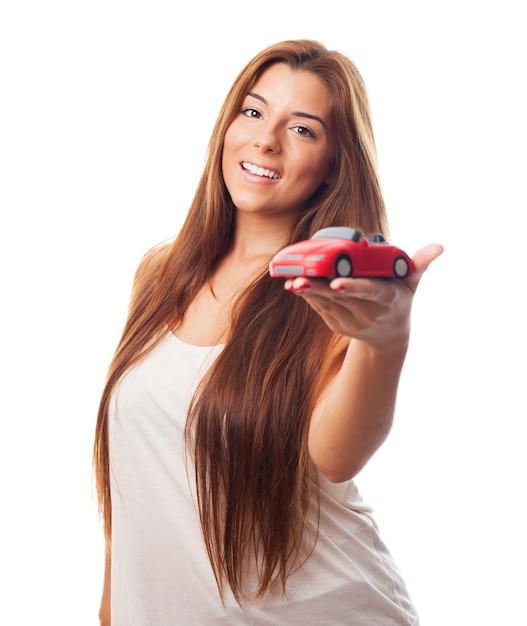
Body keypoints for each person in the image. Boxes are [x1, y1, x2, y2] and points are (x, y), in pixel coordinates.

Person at [93, 39, 443, 625]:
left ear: (335, 161)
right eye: (253, 112)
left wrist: (383, 342)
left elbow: (336, 456)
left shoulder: (330, 294)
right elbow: (135, 481)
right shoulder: (160, 274)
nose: (266, 139)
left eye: (303, 129)